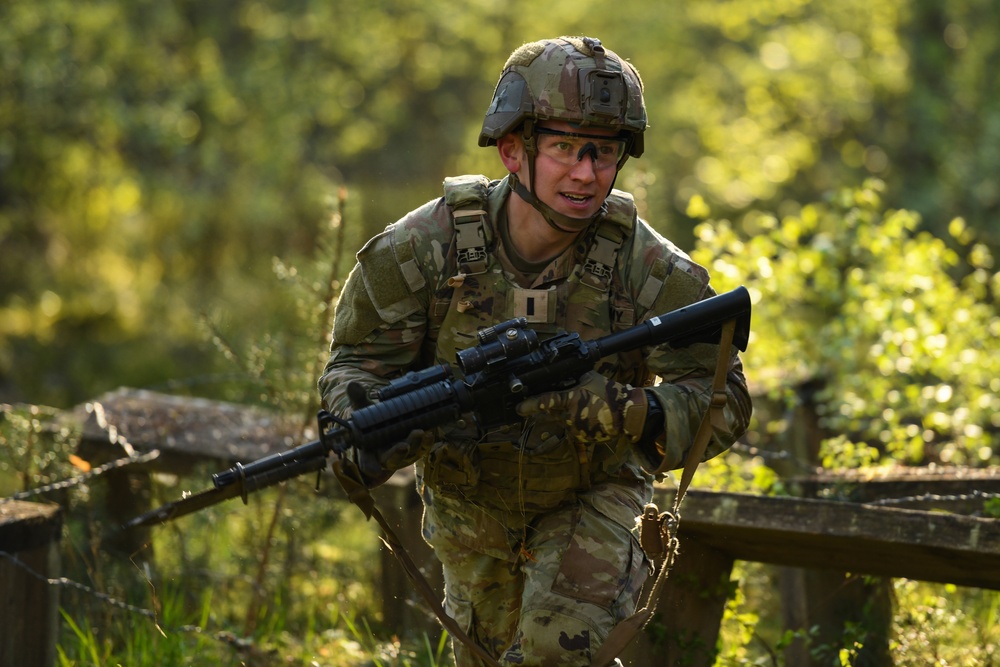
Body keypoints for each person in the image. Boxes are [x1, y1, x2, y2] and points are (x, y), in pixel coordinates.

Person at [319, 35, 752, 667]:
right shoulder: (423, 249)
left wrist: (621, 408)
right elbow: (354, 367)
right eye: (564, 149)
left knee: (555, 647)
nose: (587, 172)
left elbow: (723, 398)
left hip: (593, 495)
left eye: (603, 152)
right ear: (513, 150)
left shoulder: (646, 267)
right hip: (472, 509)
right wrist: (378, 423)